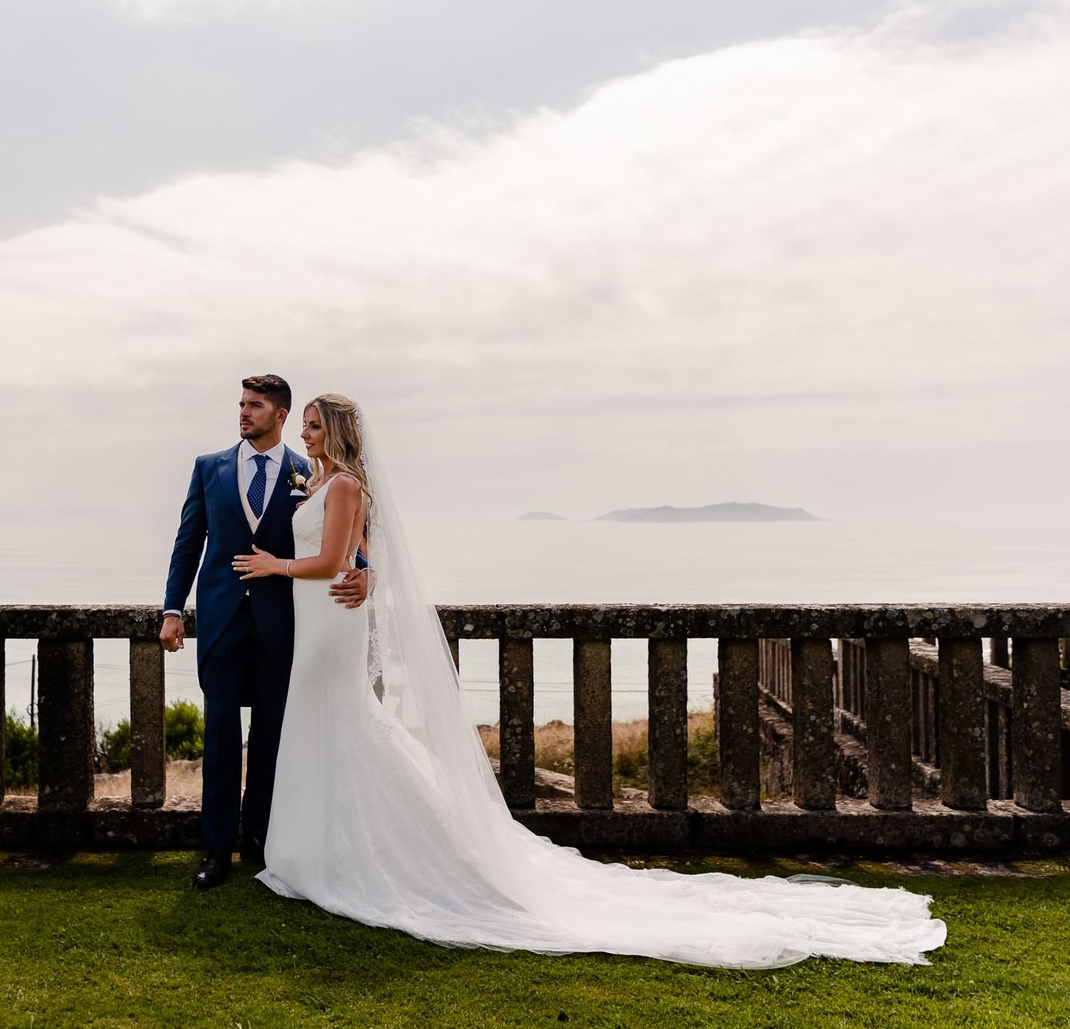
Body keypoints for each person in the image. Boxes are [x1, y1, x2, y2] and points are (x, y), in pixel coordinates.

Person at [229, 393, 947, 968]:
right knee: (326, 726)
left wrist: (276, 567)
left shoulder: (347, 484)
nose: (311, 435)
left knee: (344, 722)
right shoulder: (316, 482)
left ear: (341, 431)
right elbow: (356, 557)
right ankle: (318, 850)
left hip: (327, 614)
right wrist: (353, 570)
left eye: (319, 425)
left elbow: (334, 560)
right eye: (309, 426)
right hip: (321, 620)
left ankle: (368, 857)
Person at [162, 375, 370, 890]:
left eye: (254, 406)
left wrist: (367, 574)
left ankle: (260, 837)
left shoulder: (312, 473)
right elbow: (188, 543)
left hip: (286, 626)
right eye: (241, 404)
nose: (243, 412)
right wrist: (172, 609)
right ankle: (215, 847)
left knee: (275, 734)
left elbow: (348, 542)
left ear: (280, 415)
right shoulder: (208, 468)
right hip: (221, 622)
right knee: (220, 736)